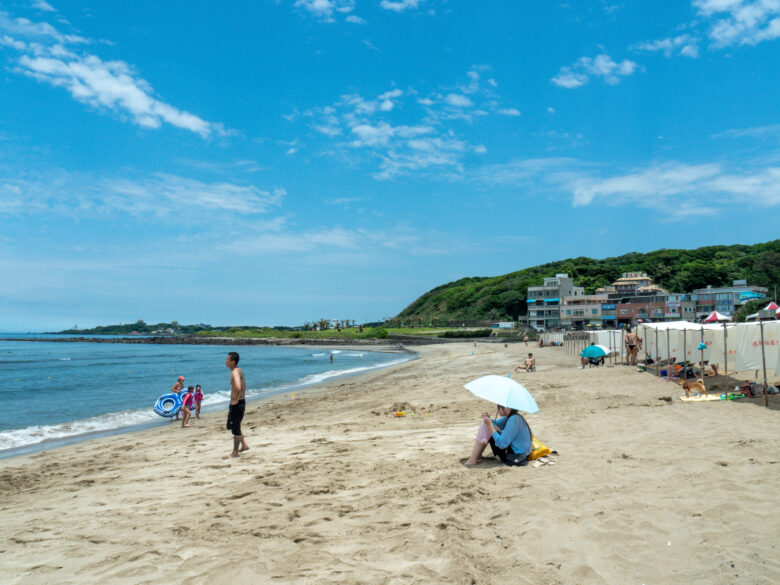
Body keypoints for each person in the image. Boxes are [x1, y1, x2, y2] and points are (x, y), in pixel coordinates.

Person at [465, 405, 532, 466]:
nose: (498, 409)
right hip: (518, 452)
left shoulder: (513, 420)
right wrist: (488, 419)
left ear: (507, 408)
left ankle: (473, 459)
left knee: (488, 427)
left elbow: (502, 444)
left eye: (499, 407)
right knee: (487, 425)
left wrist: (490, 425)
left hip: (516, 456)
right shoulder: (511, 417)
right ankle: (477, 456)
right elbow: (495, 423)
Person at [225, 351, 249, 458]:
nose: (225, 361)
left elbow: (238, 386)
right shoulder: (239, 370)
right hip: (241, 402)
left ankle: (235, 453)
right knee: (235, 425)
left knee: (235, 429)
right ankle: (244, 445)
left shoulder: (234, 372)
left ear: (233, 362)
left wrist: (235, 399)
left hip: (237, 403)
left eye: (227, 359)